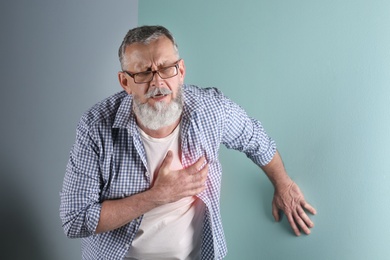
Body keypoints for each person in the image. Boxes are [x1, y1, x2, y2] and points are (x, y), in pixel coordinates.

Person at [60, 25, 316, 260]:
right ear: (125, 82)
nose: (157, 82)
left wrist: (283, 185)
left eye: (166, 68)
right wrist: (158, 195)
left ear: (180, 71)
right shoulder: (96, 126)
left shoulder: (210, 110)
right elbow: (75, 219)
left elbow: (254, 138)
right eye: (143, 74)